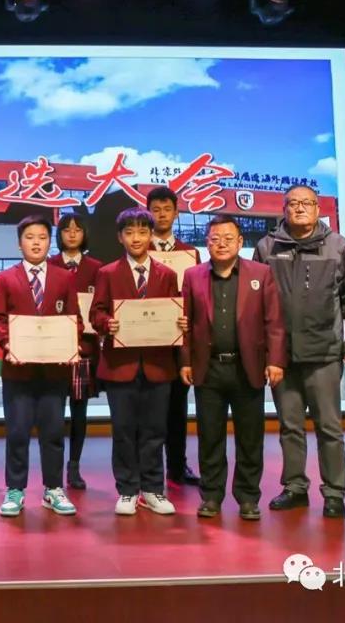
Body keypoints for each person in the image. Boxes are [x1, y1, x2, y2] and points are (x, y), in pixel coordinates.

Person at [255, 185, 345, 519]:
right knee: (289, 427)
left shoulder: (339, 246)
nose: (300, 208)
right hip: (282, 356)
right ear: (284, 209)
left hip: (325, 354)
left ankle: (334, 492)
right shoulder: (266, 247)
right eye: (293, 203)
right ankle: (294, 487)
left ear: (318, 209)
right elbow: (255, 302)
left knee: (329, 428)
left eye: (307, 203)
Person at [180, 215, 286, 521]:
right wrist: (185, 360)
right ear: (207, 242)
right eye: (215, 239)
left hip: (246, 367)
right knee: (209, 436)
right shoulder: (192, 276)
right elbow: (185, 323)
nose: (221, 244)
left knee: (250, 438)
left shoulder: (261, 273)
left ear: (240, 242)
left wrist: (275, 360)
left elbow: (274, 322)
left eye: (228, 238)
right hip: (208, 368)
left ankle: (248, 497)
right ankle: (211, 496)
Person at [90, 207, 182, 517]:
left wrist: (180, 322)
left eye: (143, 232)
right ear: (120, 237)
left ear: (151, 235)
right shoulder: (107, 273)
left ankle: (153, 489)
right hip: (120, 365)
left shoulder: (167, 275)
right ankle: (127, 489)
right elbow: (96, 313)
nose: (136, 238)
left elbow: (174, 311)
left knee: (155, 430)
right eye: (129, 233)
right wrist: (107, 323)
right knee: (124, 430)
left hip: (158, 365)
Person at [0, 215, 81, 517]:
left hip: (54, 370)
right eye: (30, 237)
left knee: (53, 432)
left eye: (42, 237)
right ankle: (15, 489)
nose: (36, 243)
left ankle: (53, 488)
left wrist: (71, 343)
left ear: (49, 241)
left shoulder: (64, 278)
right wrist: (9, 345)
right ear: (20, 244)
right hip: (19, 370)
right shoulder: (6, 278)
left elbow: (74, 319)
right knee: (17, 432)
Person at [147, 186, 202, 487]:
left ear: (176, 213)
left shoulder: (190, 253)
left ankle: (178, 467)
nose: (162, 215)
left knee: (178, 409)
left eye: (167, 209)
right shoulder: (138, 249)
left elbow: (197, 295)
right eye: (155, 210)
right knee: (150, 410)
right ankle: (150, 469)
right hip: (148, 339)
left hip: (180, 340)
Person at [48, 213, 103, 490]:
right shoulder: (49, 265)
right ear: (59, 235)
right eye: (66, 229)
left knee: (79, 412)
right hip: (55, 350)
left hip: (85, 349)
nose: (72, 234)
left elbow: (102, 306)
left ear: (84, 234)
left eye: (77, 229)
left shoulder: (97, 268)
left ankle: (74, 466)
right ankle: (54, 469)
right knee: (54, 412)